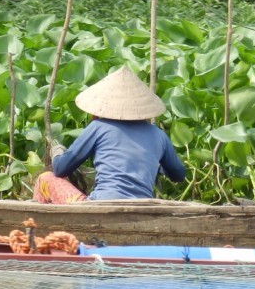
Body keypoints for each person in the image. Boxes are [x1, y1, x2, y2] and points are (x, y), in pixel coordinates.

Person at [33, 66, 186, 203]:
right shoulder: (159, 135)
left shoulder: (99, 127)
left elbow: (60, 169)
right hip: (143, 205)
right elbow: (178, 175)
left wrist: (57, 151)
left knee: (45, 178)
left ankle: (37, 229)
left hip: (101, 203)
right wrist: (157, 164)